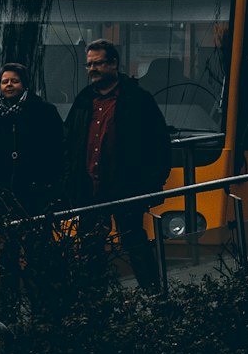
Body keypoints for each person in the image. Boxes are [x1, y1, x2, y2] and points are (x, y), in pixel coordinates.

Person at [64, 38, 172, 292]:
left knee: (134, 242)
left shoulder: (137, 99)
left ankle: (153, 294)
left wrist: (151, 183)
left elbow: (158, 143)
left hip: (127, 189)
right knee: (91, 248)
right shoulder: (83, 101)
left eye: (98, 63)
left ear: (113, 64)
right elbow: (69, 143)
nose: (92, 69)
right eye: (89, 64)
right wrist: (69, 182)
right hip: (89, 190)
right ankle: (96, 301)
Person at [0, 63, 64, 319]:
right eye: (4, 81)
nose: (8, 85)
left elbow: (58, 154)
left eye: (14, 81)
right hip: (5, 199)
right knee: (7, 260)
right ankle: (8, 311)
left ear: (25, 84)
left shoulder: (44, 112)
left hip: (35, 198)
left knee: (37, 257)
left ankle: (42, 309)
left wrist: (52, 190)